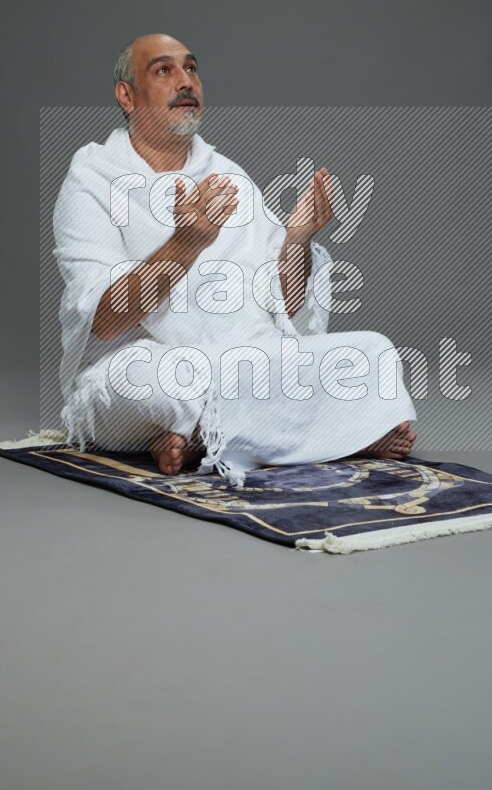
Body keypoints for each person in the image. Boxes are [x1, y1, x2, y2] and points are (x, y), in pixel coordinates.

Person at [53, 33, 417, 489]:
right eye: (164, 71)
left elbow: (281, 305)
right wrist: (186, 243)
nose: (186, 82)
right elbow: (105, 320)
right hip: (144, 366)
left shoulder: (228, 176)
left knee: (372, 352)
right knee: (159, 382)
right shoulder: (93, 178)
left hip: (245, 360)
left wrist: (297, 243)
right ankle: (326, 436)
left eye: (192, 68)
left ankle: (203, 438)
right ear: (127, 95)